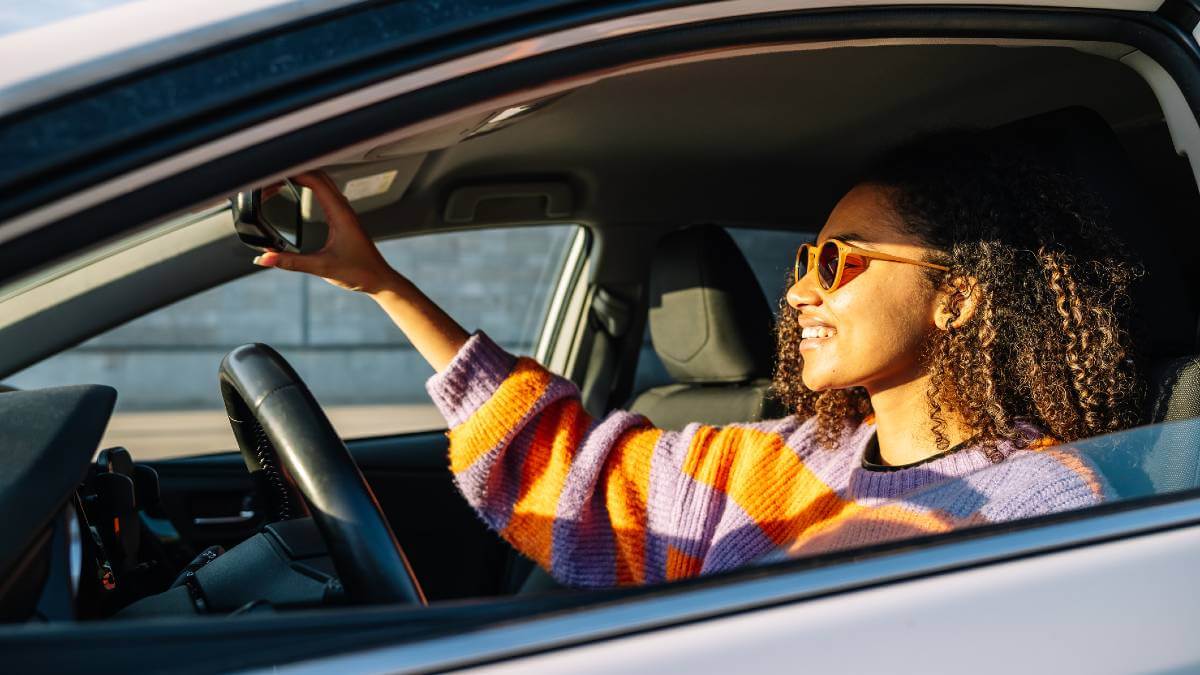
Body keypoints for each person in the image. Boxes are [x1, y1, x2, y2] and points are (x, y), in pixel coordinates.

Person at [255, 132, 1140, 587]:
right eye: (802, 263)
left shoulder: (1044, 503)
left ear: (957, 296)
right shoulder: (792, 457)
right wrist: (382, 285)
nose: (797, 295)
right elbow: (576, 481)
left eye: (837, 261)